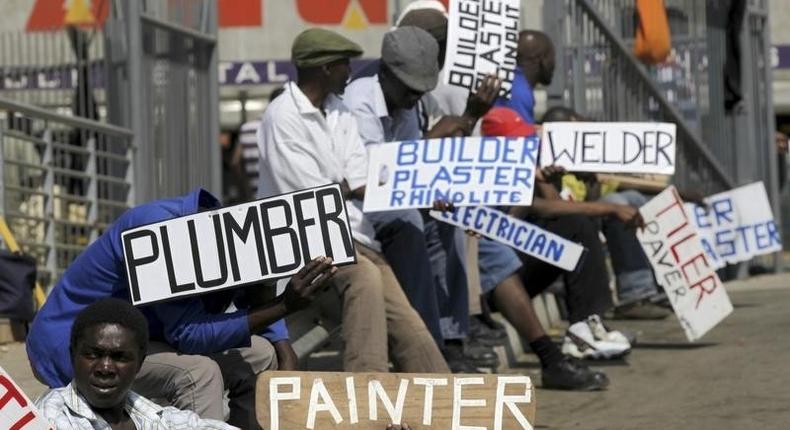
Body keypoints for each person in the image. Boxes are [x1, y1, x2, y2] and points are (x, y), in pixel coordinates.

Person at [27, 188, 337, 429]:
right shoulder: (160, 230)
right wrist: (284, 306)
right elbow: (189, 334)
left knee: (261, 354)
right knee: (199, 373)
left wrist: (284, 348)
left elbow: (255, 294)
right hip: (86, 347)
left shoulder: (227, 236)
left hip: (144, 337)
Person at [256, 28, 448, 373]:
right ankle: (365, 391)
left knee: (408, 322)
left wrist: (355, 187)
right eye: (345, 64)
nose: (351, 72)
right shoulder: (282, 116)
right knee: (365, 279)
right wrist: (346, 187)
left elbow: (361, 177)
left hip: (353, 238)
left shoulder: (339, 111)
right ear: (326, 68)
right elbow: (311, 199)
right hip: (305, 242)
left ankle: (445, 402)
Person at [343, 26, 501, 372]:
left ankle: (450, 336)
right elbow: (373, 177)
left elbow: (410, 167)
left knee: (447, 223)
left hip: (390, 198)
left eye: (421, 90)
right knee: (409, 222)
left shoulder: (405, 103)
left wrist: (431, 192)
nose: (416, 97)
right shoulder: (360, 101)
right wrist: (423, 182)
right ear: (386, 73)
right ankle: (425, 349)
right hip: (359, 205)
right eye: (410, 89)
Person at [480, 107, 635, 360]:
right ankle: (580, 332)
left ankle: (586, 324)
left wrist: (547, 181)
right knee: (576, 224)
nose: (528, 149)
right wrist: (612, 208)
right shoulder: (487, 175)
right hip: (496, 286)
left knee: (575, 226)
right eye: (519, 144)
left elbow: (556, 208)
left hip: (518, 274)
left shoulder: (527, 170)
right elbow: (540, 207)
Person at [36, 298, 238, 429]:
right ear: (73, 356)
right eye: (93, 355)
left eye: (119, 357)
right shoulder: (51, 415)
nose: (105, 368)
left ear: (139, 365)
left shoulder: (153, 417)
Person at [495, 30, 555, 123]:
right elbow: (522, 136)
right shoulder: (518, 92)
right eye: (551, 57)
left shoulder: (512, 82)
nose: (554, 64)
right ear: (540, 59)